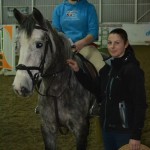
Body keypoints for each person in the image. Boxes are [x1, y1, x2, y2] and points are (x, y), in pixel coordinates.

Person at [67, 28, 147, 150]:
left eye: (117, 43)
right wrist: (78, 72)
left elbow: (140, 104)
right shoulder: (108, 67)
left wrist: (136, 135)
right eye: (109, 43)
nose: (112, 47)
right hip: (107, 129)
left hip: (124, 132)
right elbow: (97, 90)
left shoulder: (132, 70)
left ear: (126, 44)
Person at [52, 0, 105, 71]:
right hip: (64, 48)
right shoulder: (58, 9)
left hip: (85, 47)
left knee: (101, 67)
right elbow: (56, 31)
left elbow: (93, 32)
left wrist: (82, 42)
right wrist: (67, 43)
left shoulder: (89, 8)